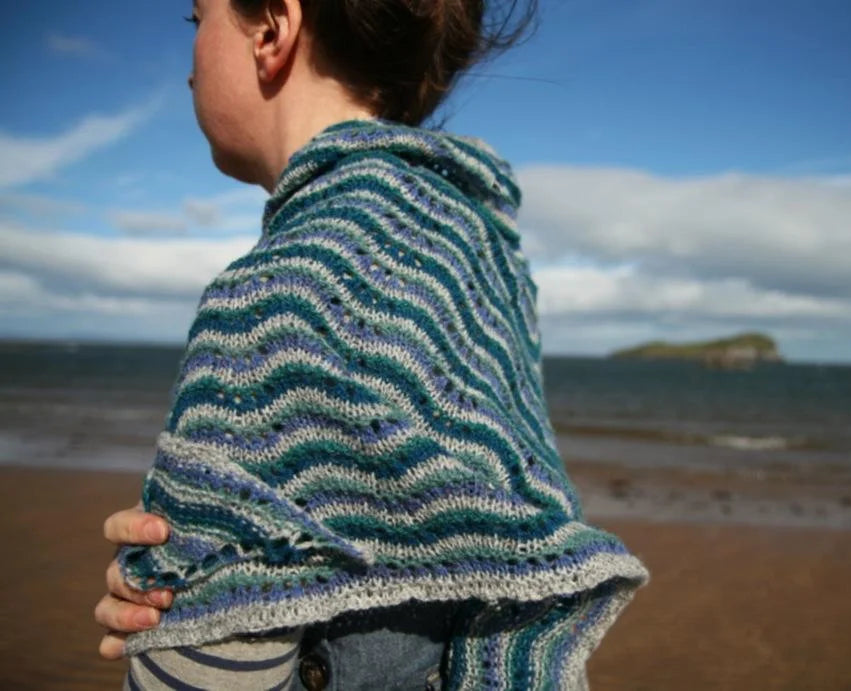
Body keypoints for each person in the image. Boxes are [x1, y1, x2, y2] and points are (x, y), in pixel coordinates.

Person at [94, 0, 648, 688]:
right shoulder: (472, 247)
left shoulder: (276, 299)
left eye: (196, 18)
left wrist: (188, 580)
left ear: (272, 30)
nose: (187, 66)